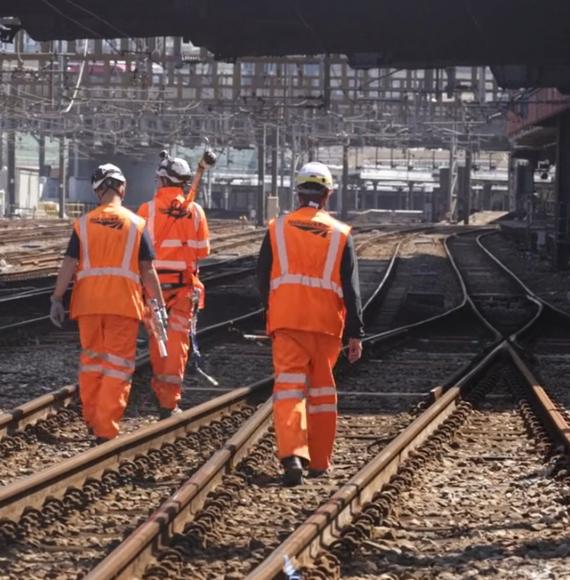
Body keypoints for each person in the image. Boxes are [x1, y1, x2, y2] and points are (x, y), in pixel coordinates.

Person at [257, 161, 364, 486]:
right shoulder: (341, 234)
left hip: (287, 322)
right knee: (321, 393)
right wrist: (356, 333)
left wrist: (273, 308)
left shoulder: (276, 228)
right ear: (328, 195)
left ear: (298, 193)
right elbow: (351, 287)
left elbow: (261, 276)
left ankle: (292, 455)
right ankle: (319, 461)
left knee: (289, 389)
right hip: (326, 325)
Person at [50, 163, 165, 444]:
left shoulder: (83, 224)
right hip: (123, 305)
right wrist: (159, 304)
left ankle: (92, 418)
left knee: (91, 362)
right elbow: (147, 269)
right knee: (117, 367)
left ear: (98, 190)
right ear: (121, 187)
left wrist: (56, 298)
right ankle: (105, 428)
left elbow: (68, 264)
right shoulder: (136, 224)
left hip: (88, 305)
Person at [137, 152, 210, 418]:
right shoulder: (196, 212)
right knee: (177, 346)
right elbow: (202, 251)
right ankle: (168, 402)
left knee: (159, 344)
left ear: (164, 180)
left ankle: (163, 396)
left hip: (153, 291)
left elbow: (139, 254)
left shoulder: (146, 210)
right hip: (183, 292)